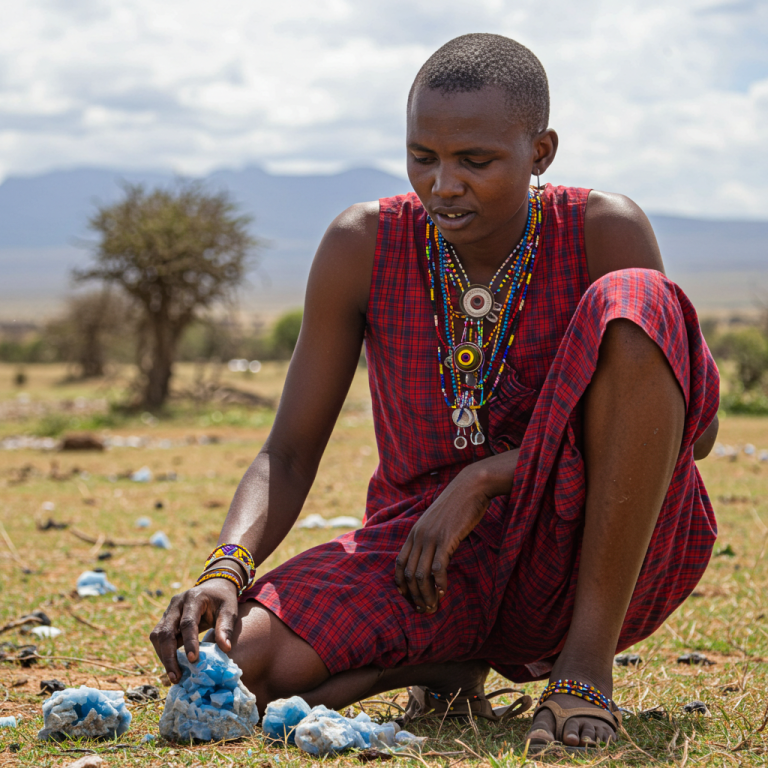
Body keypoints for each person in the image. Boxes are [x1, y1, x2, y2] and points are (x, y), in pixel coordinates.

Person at [151, 33, 720, 751]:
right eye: (423, 157)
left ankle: (584, 672)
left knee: (638, 297)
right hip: (426, 560)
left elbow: (689, 435)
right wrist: (226, 569)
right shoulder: (363, 244)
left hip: (585, 551)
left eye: (474, 161)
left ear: (540, 152)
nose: (443, 184)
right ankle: (442, 660)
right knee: (238, 666)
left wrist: (489, 477)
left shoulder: (601, 230)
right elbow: (289, 452)